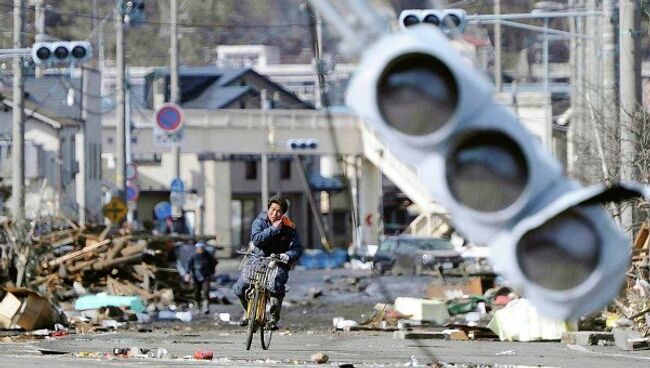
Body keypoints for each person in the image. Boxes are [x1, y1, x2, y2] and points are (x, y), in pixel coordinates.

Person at [233, 195, 303, 330]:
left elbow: (298, 248)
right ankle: (247, 311)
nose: (274, 214)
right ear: (268, 209)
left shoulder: (289, 228)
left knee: (276, 285)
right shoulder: (259, 222)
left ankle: (273, 318)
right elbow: (257, 240)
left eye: (278, 211)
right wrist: (273, 229)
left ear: (283, 213)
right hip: (257, 260)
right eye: (272, 209)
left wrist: (287, 256)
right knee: (240, 287)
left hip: (277, 263)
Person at [177, 241, 218, 314]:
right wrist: (188, 274)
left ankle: (206, 307)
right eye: (199, 248)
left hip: (206, 276)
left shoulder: (208, 255)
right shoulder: (194, 256)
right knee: (197, 293)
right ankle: (198, 307)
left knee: (206, 292)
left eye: (201, 248)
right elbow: (189, 265)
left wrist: (212, 273)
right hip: (196, 276)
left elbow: (213, 264)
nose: (200, 250)